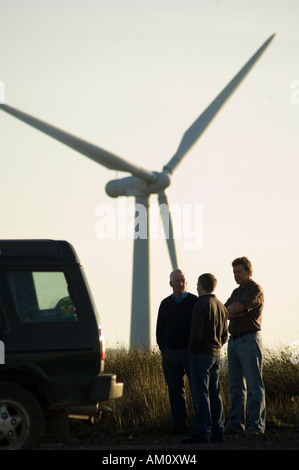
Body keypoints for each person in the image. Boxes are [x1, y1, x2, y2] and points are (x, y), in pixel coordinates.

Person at [183, 273, 228, 444]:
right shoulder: (221, 306)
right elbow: (225, 335)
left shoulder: (200, 305)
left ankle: (202, 432)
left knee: (201, 393)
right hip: (216, 354)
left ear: (201, 286)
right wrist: (217, 346)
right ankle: (218, 431)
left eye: (197, 284)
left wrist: (192, 350)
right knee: (215, 394)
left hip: (201, 354)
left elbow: (196, 334)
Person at [225, 257, 266, 436]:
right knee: (235, 385)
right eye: (234, 272)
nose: (236, 275)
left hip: (249, 339)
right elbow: (227, 311)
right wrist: (231, 310)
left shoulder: (255, 289)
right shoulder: (236, 292)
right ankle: (236, 423)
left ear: (249, 272)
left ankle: (256, 425)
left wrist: (232, 310)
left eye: (239, 272)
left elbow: (235, 309)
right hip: (234, 341)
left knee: (253, 384)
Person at [156, 269, 198, 434]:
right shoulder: (165, 304)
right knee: (175, 391)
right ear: (170, 284)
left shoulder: (194, 302)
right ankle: (179, 425)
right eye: (177, 281)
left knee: (196, 389)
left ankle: (199, 425)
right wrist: (163, 348)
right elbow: (160, 328)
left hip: (190, 353)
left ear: (187, 283)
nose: (180, 284)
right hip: (170, 353)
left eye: (183, 281)